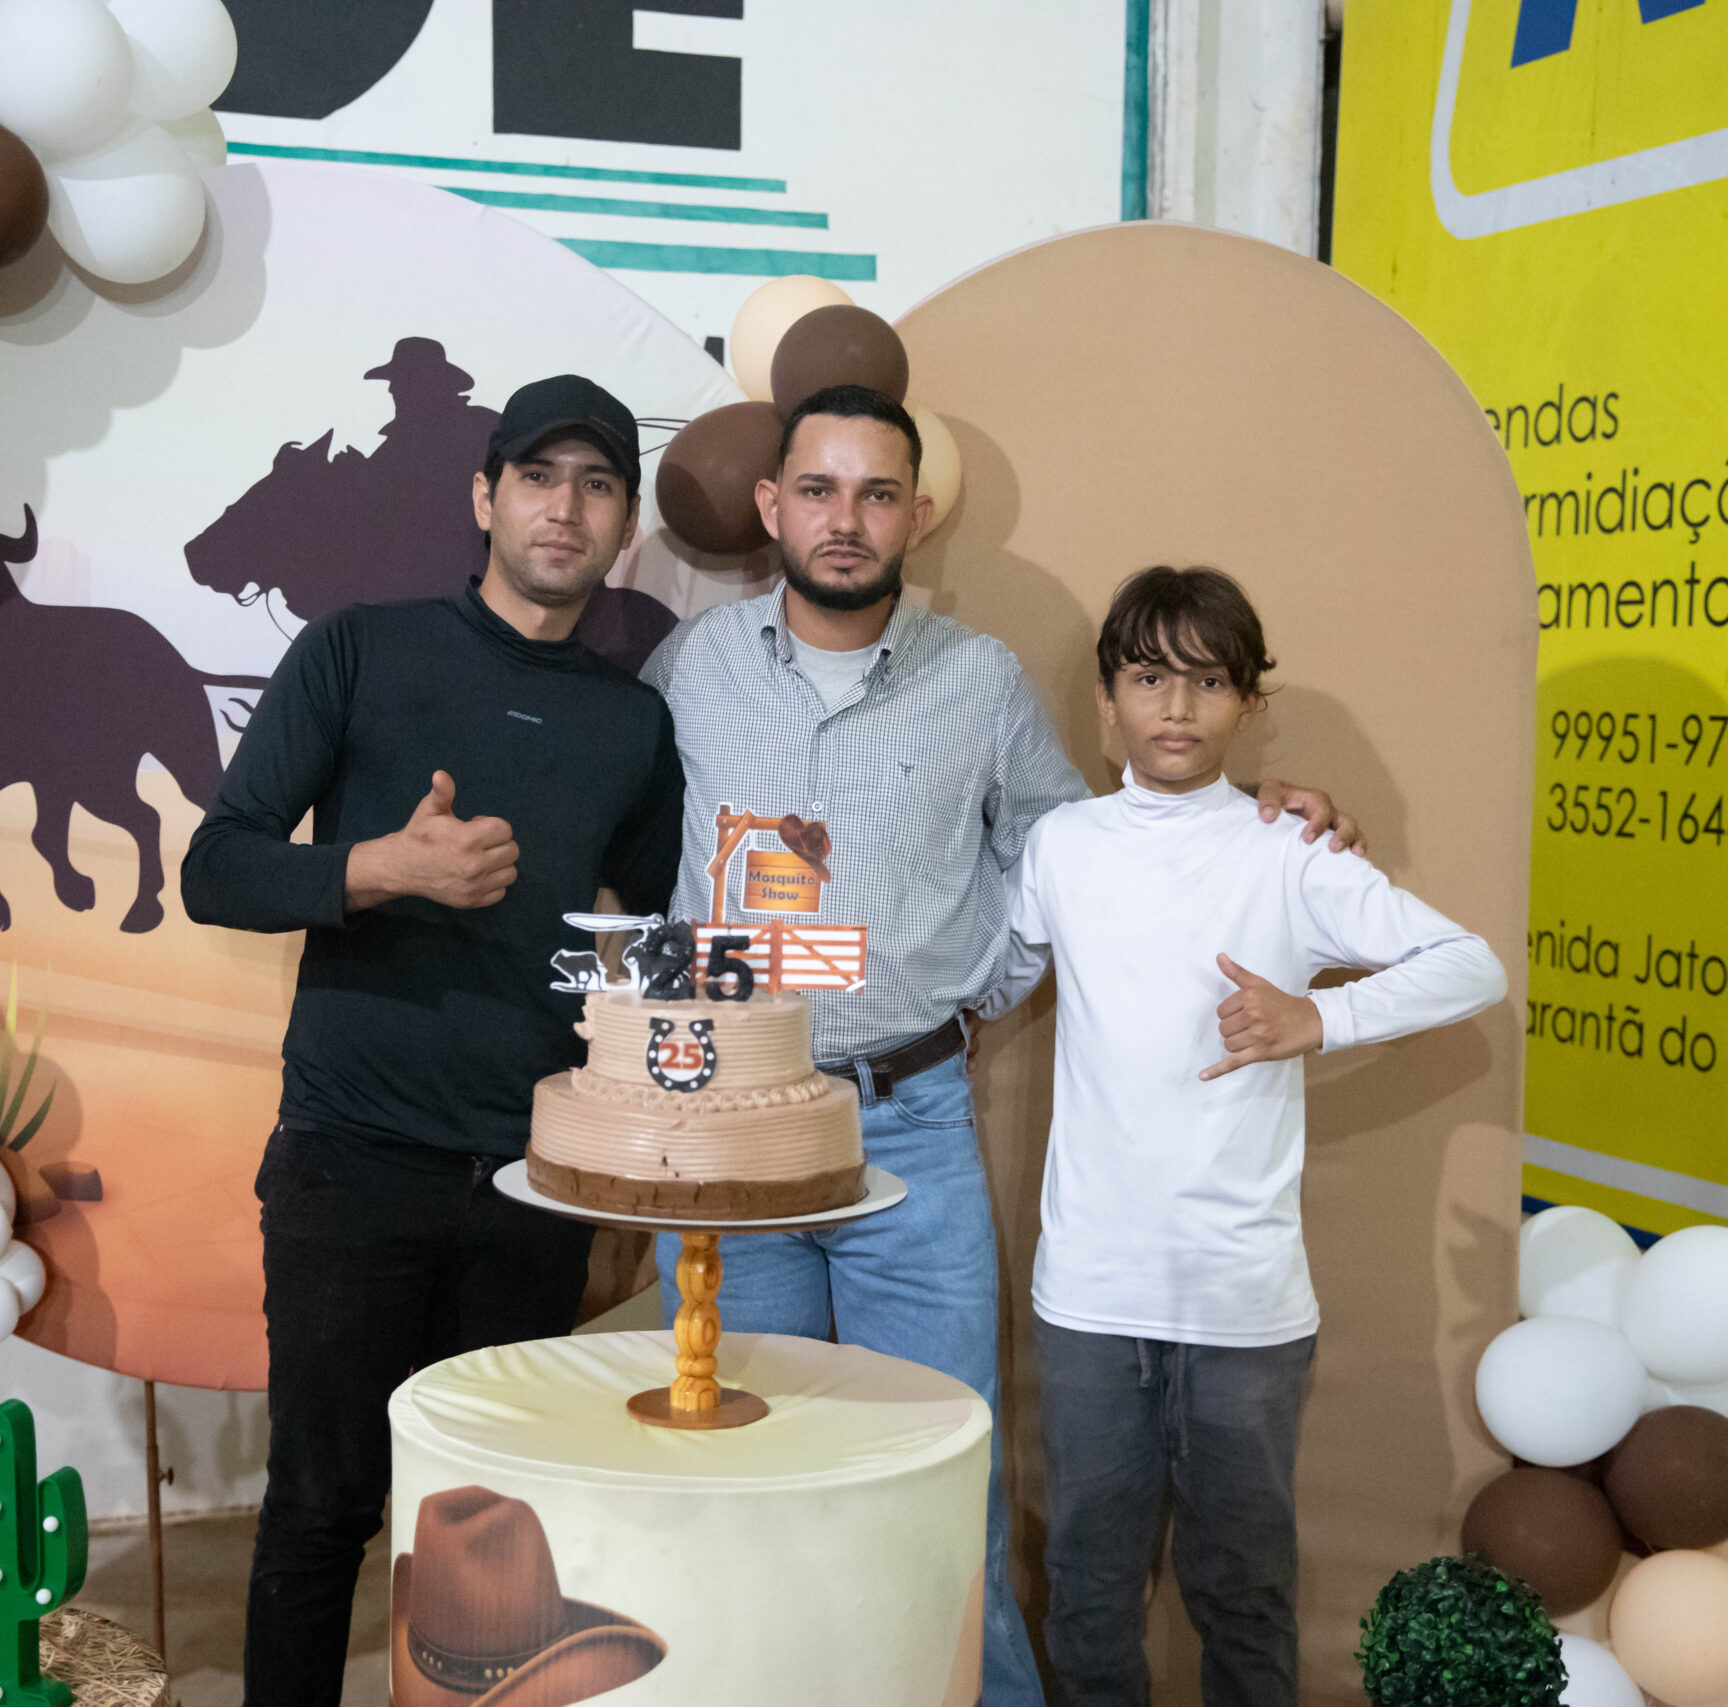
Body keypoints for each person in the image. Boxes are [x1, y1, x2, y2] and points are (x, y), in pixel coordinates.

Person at [639, 386, 1361, 1706]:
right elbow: (623, 847)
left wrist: (1242, 815)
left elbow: (1082, 847)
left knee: (939, 1476)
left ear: (916, 513)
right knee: (740, 1468)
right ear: (771, 505)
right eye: (818, 490)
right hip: (728, 1131)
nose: (845, 520)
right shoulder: (691, 666)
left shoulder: (976, 681)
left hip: (910, 1132)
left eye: (875, 494)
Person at [181, 375, 686, 1707]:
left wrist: (627, 1162)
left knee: (486, 1526)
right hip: (352, 1160)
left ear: (626, 523)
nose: (564, 507)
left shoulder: (634, 723)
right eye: (538, 476)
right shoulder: (358, 650)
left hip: (532, 1184)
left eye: (596, 484)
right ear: (483, 496)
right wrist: (382, 868)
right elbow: (216, 868)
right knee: (319, 1509)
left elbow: (632, 950)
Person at [984, 566, 1507, 1707]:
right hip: (1090, 1294)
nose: (1176, 706)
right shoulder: (1064, 845)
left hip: (1242, 1305)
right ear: (1106, 701)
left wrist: (1320, 1017)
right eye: (1148, 678)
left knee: (1244, 1595)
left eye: (1209, 681)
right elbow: (989, 978)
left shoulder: (1288, 850)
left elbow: (1471, 965)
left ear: (1249, 705)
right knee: (1087, 1594)